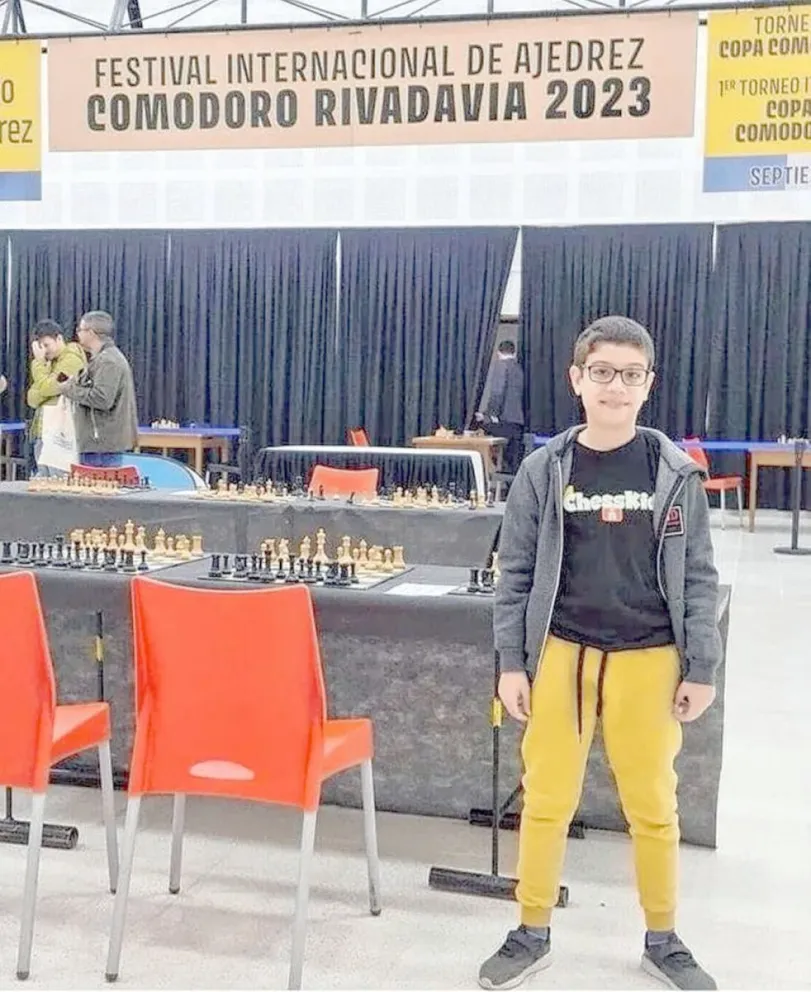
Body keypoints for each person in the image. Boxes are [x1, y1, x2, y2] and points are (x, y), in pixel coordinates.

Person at [479, 316, 720, 992]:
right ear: (577, 379)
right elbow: (514, 573)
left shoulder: (674, 472)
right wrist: (511, 661)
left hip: (650, 658)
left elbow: (699, 575)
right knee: (546, 798)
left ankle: (663, 938)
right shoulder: (543, 469)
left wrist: (701, 665)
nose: (616, 386)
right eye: (603, 372)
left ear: (648, 384)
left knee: (653, 804)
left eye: (630, 374)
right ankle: (531, 930)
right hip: (561, 655)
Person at [57, 310, 138, 467]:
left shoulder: (108, 361)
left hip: (101, 445)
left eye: (80, 329)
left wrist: (68, 389)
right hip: (98, 443)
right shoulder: (102, 359)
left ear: (91, 332)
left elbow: (102, 399)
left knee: (98, 483)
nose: (77, 333)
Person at [26, 319, 86, 475]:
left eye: (46, 345)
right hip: (42, 432)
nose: (44, 352)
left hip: (61, 434)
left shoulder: (72, 359)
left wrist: (38, 364)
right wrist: (44, 385)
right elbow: (32, 398)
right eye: (40, 348)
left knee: (59, 481)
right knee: (42, 483)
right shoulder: (48, 363)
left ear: (59, 338)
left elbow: (48, 387)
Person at [476, 340, 525, 475]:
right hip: (517, 422)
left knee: (480, 432)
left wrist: (487, 415)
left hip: (504, 422)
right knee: (511, 466)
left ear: (498, 353)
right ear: (514, 352)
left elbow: (497, 393)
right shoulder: (518, 369)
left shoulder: (501, 366)